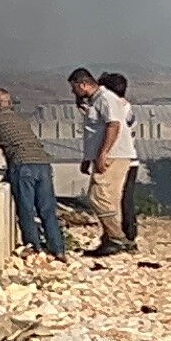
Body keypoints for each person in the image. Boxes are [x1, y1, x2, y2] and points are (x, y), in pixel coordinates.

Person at [0, 88, 65, 259]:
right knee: (47, 209)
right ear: (10, 103)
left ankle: (33, 247)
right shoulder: (21, 120)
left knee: (26, 208)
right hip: (42, 163)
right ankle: (58, 249)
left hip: (22, 165)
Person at [69, 66, 137, 259]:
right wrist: (88, 158)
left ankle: (117, 238)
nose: (73, 92)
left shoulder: (105, 98)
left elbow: (113, 125)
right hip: (108, 155)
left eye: (75, 87)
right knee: (110, 199)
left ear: (83, 84)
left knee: (98, 196)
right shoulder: (97, 100)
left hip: (114, 155)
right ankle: (110, 239)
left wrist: (103, 153)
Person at [100, 71, 146, 250]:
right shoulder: (126, 107)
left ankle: (122, 237)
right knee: (125, 200)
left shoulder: (117, 107)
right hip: (131, 159)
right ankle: (125, 235)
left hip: (121, 159)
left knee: (115, 200)